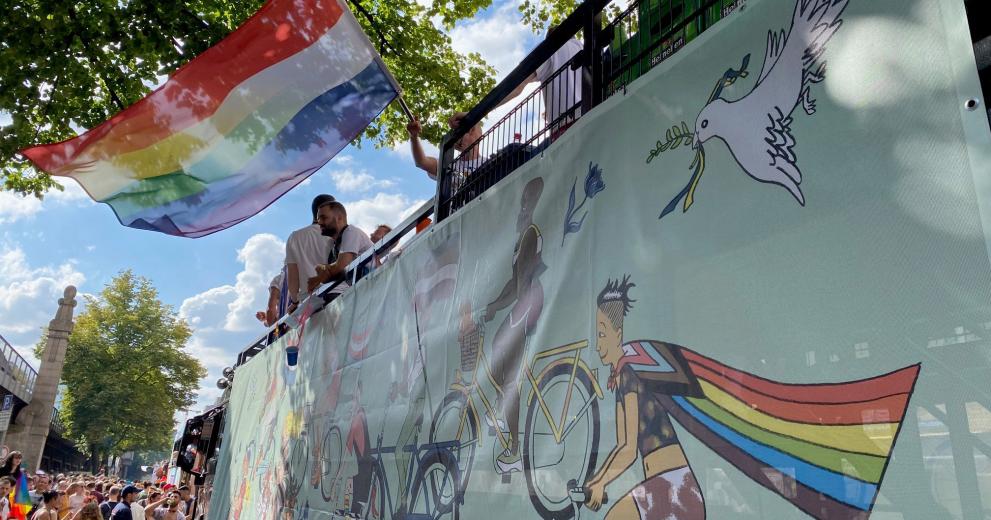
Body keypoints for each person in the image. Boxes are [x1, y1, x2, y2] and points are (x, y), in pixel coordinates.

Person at [584, 276, 704, 519]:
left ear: (618, 334)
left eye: (602, 334)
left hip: (673, 489)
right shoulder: (621, 377)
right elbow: (621, 446)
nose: (598, 345)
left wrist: (600, 483)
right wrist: (596, 482)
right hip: (670, 490)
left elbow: (629, 451)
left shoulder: (629, 373)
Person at [484, 177, 546, 474]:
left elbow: (520, 283)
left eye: (526, 203)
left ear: (533, 205)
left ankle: (514, 448)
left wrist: (503, 309)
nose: (521, 209)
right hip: (524, 301)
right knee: (501, 370)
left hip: (529, 301)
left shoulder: (531, 233)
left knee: (505, 371)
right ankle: (503, 419)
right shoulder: (523, 237)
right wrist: (494, 306)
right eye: (520, 203)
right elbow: (513, 281)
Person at [495, 27, 583, 140]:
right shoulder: (583, 46)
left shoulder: (549, 49)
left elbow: (516, 86)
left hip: (566, 129)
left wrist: (476, 114)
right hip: (592, 115)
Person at [306, 201, 373, 297]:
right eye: (318, 219)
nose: (319, 222)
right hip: (366, 289)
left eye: (323, 218)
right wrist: (322, 269)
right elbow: (331, 274)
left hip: (375, 285)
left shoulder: (351, 232)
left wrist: (318, 278)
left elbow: (341, 265)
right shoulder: (333, 245)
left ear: (339, 218)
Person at [285, 194, 336, 306]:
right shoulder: (336, 234)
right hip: (336, 293)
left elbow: (292, 276)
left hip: (309, 302)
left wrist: (295, 301)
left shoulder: (295, 237)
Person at [406, 113, 485, 181]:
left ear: (480, 136)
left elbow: (476, 126)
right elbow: (422, 162)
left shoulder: (488, 162)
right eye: (457, 134)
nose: (463, 135)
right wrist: (414, 136)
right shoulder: (448, 165)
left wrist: (463, 114)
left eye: (468, 131)